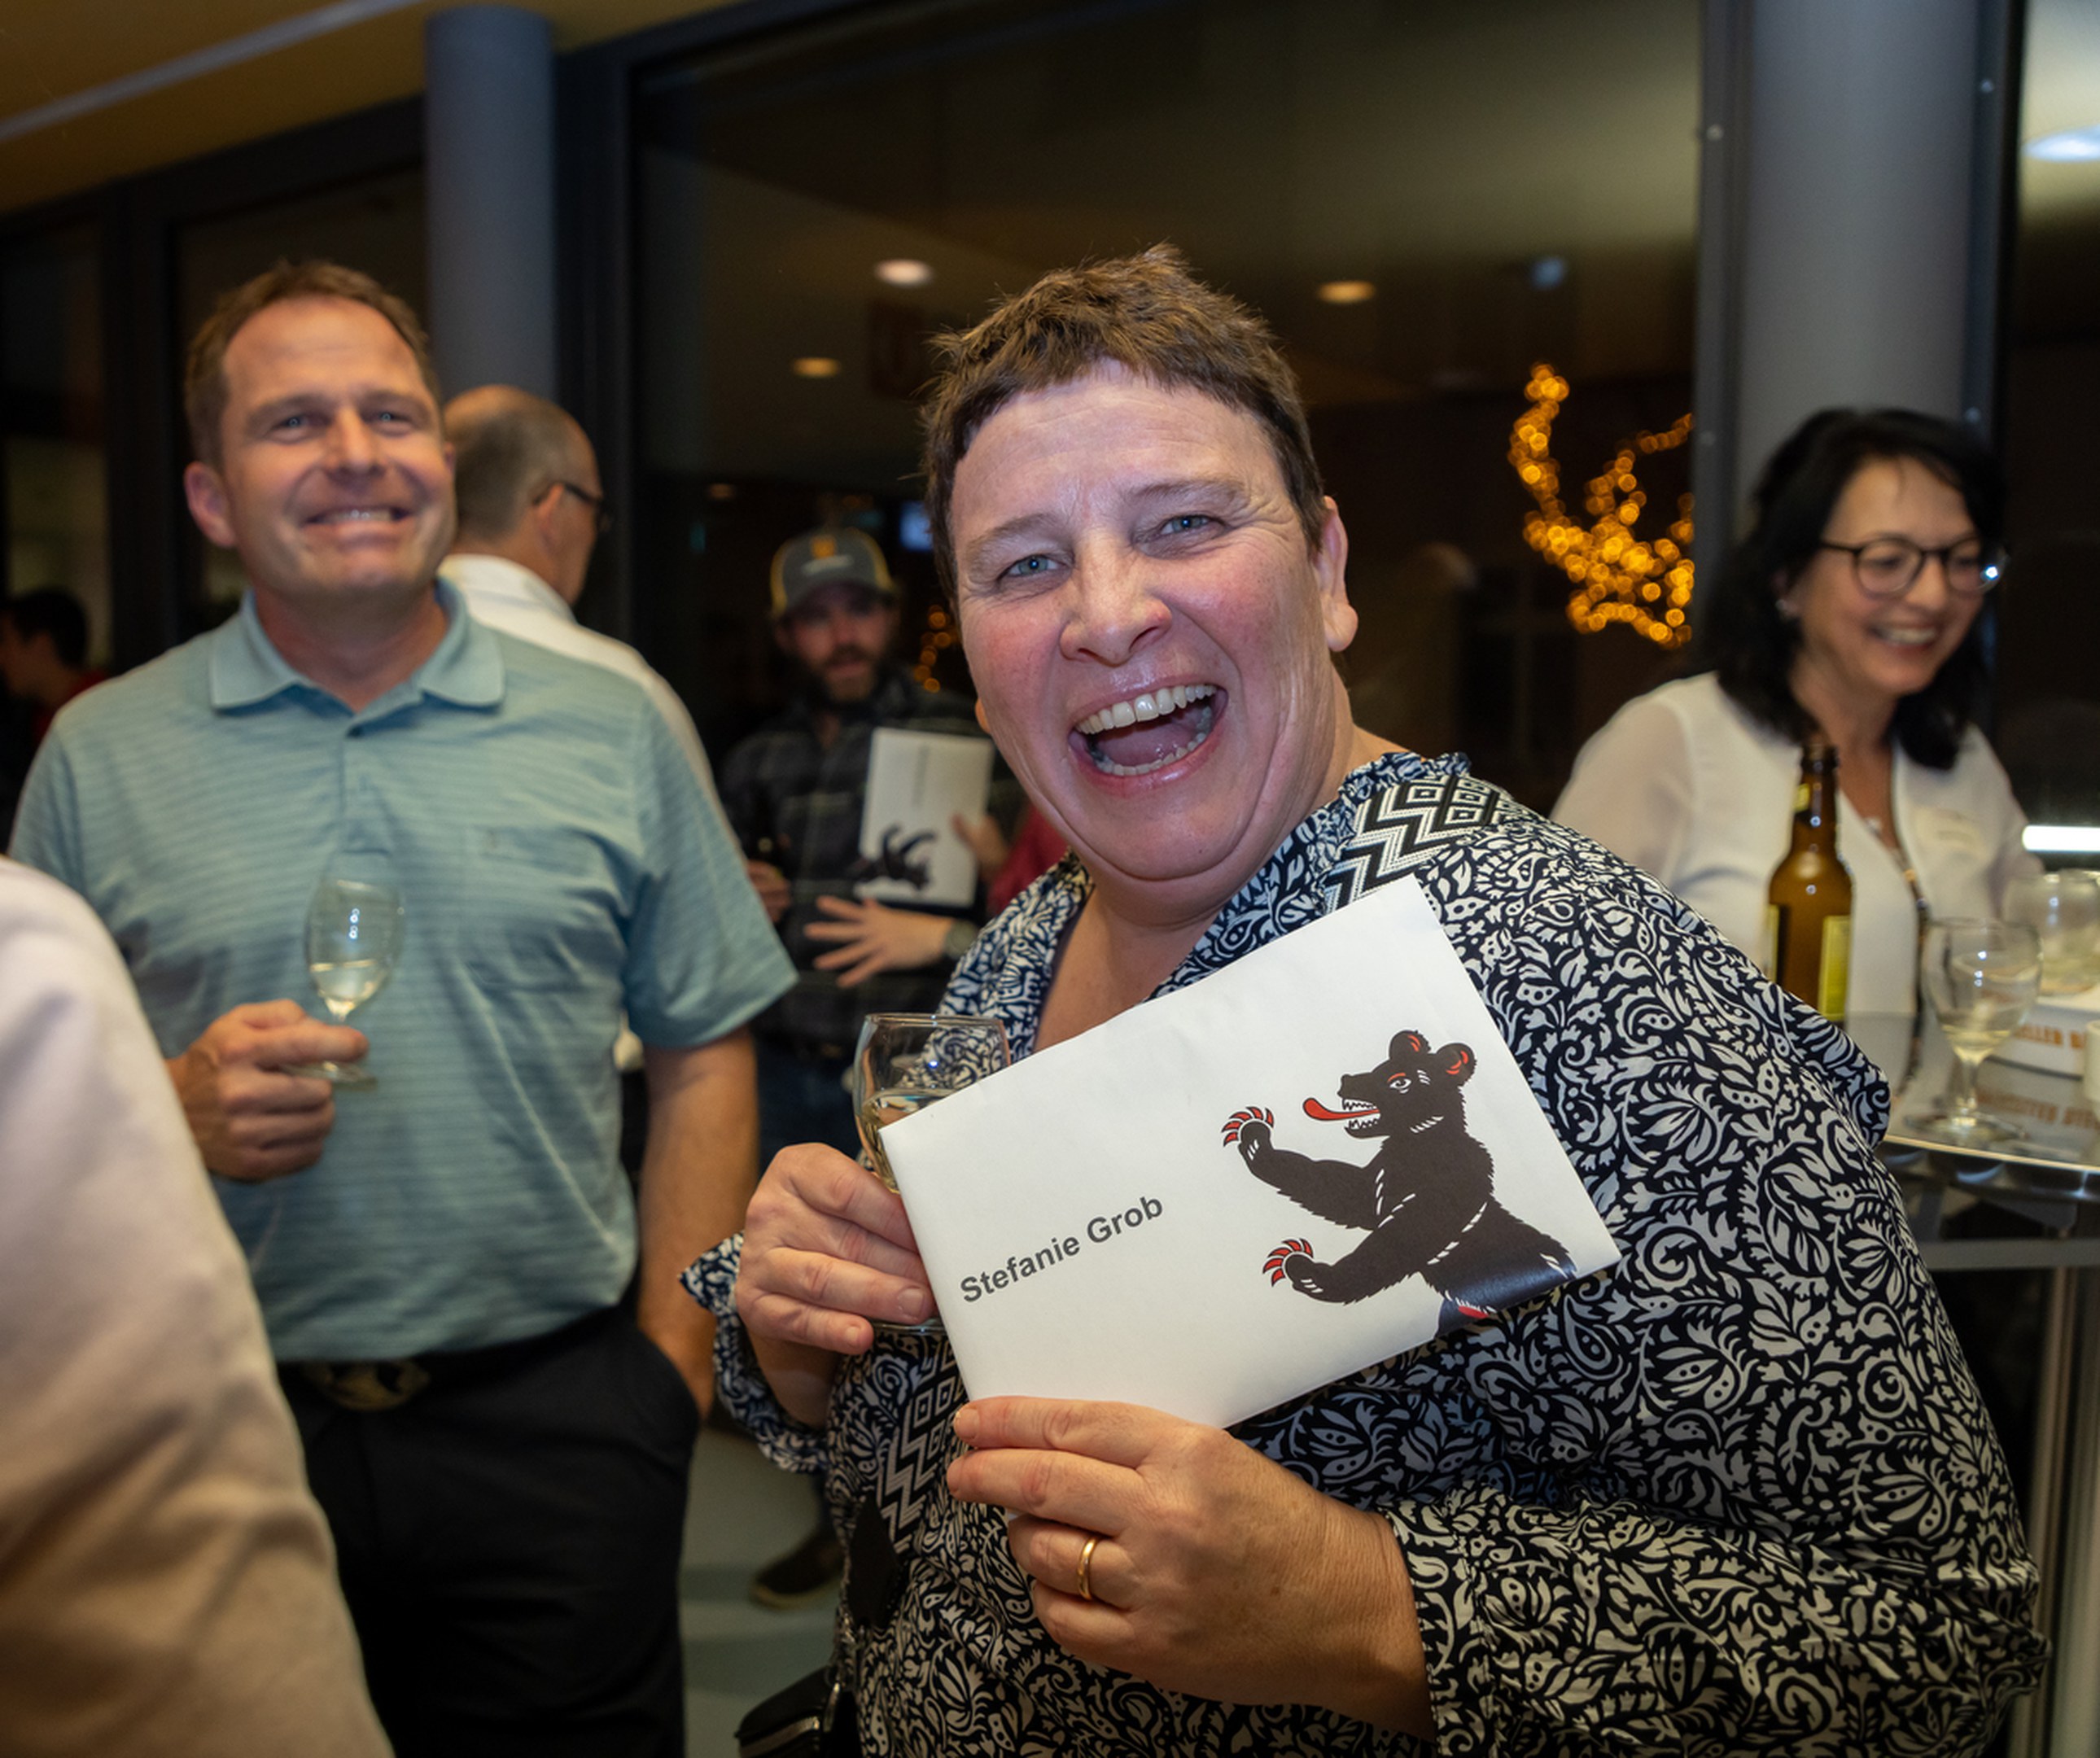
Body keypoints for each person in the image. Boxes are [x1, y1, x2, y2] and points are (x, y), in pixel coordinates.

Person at [686, 250, 2045, 1754]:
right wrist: (813, 1337)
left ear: (1327, 574)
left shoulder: (1576, 978)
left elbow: (1934, 1624)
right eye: (1024, 566)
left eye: (1184, 523)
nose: (1107, 614)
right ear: (974, 652)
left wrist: (1362, 1605)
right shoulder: (1026, 943)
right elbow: (943, 1437)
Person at [11, 260, 794, 1756]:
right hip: (202, 1428)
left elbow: (704, 1042)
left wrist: (667, 1372)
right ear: (211, 498)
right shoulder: (98, 757)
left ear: (442, 458)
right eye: (293, 422)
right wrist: (163, 1109)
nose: (356, 455)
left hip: (559, 1429)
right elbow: (21, 1108)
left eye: (391, 415)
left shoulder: (614, 721)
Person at [0, 858, 390, 1758]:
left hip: (548, 1404)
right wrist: (170, 1098)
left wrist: (660, 1378)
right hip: (269, 1396)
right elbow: (198, 1670)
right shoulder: (28, 955)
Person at [720, 523, 999, 1607]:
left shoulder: (965, 734)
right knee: (806, 1305)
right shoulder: (757, 761)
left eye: (859, 609)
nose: (841, 633)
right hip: (785, 1060)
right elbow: (719, 924)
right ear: (788, 634)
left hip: (913, 1083)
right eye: (816, 616)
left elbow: (1035, 903)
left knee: (924, 1311)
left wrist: (954, 917)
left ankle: (930, 1525)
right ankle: (832, 1523)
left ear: (888, 616)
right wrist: (745, 897)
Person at [1554, 409, 2035, 1015]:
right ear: (1786, 579)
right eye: (1887, 561)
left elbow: (2036, 952)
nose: (1934, 595)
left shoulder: (1961, 756)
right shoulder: (1675, 739)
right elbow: (1550, 976)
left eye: (1962, 560)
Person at [441, 383, 719, 797]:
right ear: (552, 511)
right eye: (594, 509)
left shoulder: (370, 667)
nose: (594, 532)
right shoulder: (624, 698)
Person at [0, 586, 107, 743]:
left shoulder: (102, 710)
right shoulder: (38, 720)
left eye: (5, 642)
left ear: (41, 646)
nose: (2, 658)